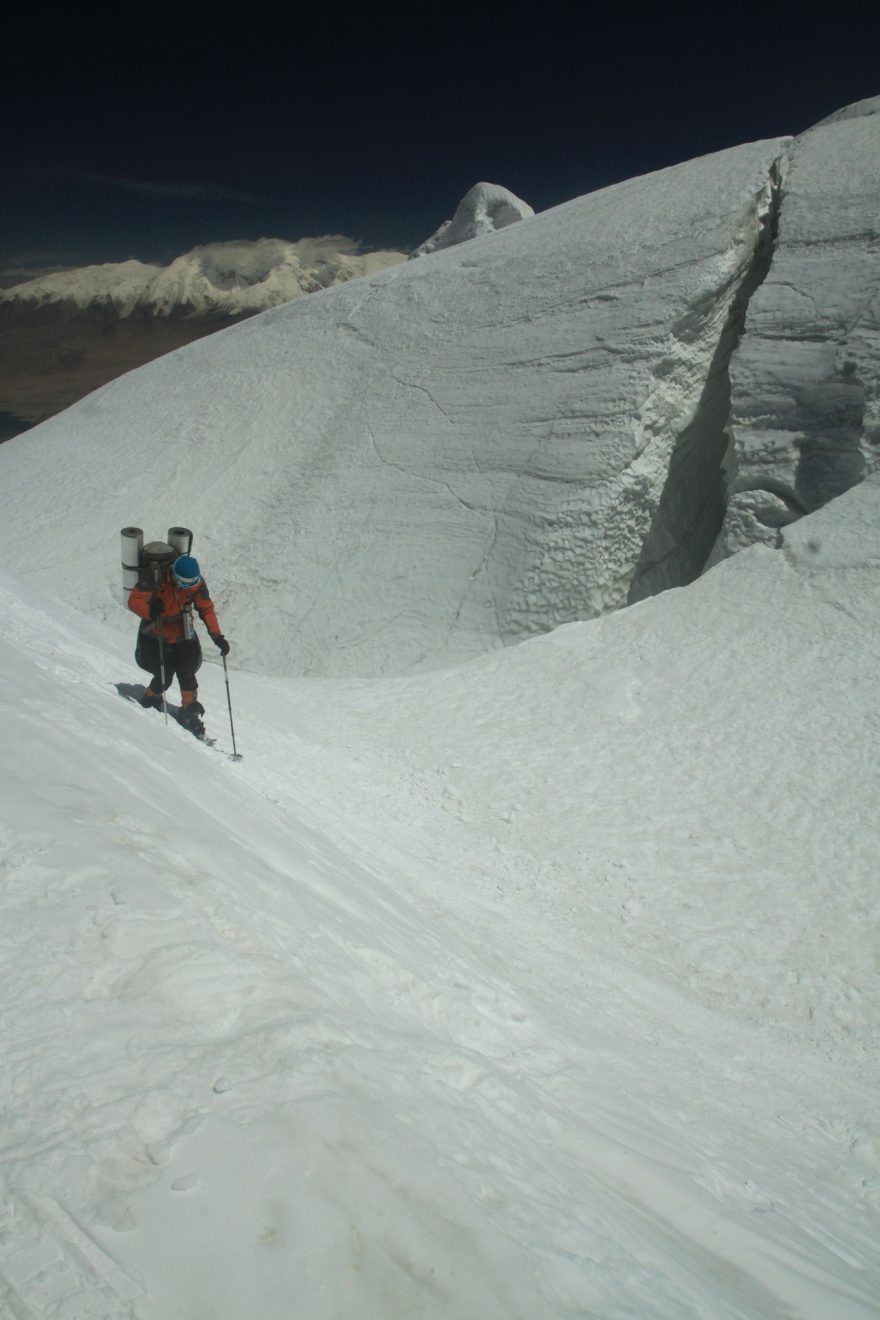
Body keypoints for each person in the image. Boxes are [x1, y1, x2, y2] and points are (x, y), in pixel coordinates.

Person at [128, 546, 229, 735]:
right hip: (154, 632)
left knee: (186, 670)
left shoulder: (195, 583)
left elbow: (206, 608)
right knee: (164, 674)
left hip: (181, 631)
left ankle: (189, 710)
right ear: (175, 576)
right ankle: (150, 698)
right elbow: (135, 600)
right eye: (185, 586)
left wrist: (218, 636)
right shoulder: (155, 576)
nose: (189, 590)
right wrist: (150, 611)